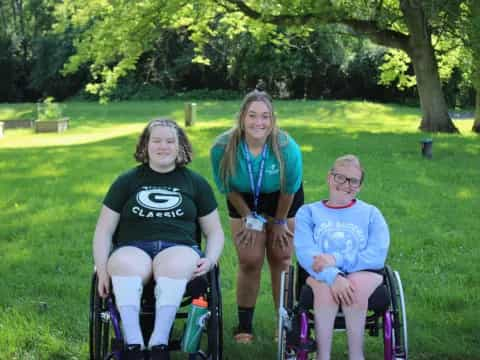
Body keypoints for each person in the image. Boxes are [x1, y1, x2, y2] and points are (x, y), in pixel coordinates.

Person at [93, 119, 224, 360]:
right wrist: (102, 269)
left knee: (175, 265)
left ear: (180, 146)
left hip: (179, 247)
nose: (163, 146)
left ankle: (158, 344)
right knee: (123, 265)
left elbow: (214, 231)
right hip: (133, 247)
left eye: (170, 141)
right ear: (145, 145)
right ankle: (133, 344)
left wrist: (211, 258)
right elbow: (103, 230)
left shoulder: (195, 183)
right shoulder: (127, 181)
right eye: (156, 140)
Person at [210, 89, 303, 343]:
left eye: (265, 116)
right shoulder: (221, 147)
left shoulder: (287, 148)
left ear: (272, 120)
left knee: (281, 257)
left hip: (281, 198)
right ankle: (244, 327)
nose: (258, 123)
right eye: (252, 115)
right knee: (249, 259)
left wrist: (281, 221)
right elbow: (227, 188)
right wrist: (249, 217)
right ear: (242, 117)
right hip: (242, 198)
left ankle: (283, 324)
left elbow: (290, 188)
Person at [294, 154, 390, 360]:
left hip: (364, 271)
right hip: (320, 273)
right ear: (330, 177)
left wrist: (336, 259)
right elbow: (305, 251)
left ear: (360, 186)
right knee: (325, 289)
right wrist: (333, 276)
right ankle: (323, 355)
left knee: (354, 286)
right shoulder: (308, 212)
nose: (346, 185)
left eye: (353, 181)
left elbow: (377, 254)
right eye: (340, 178)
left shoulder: (372, 214)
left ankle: (356, 355)